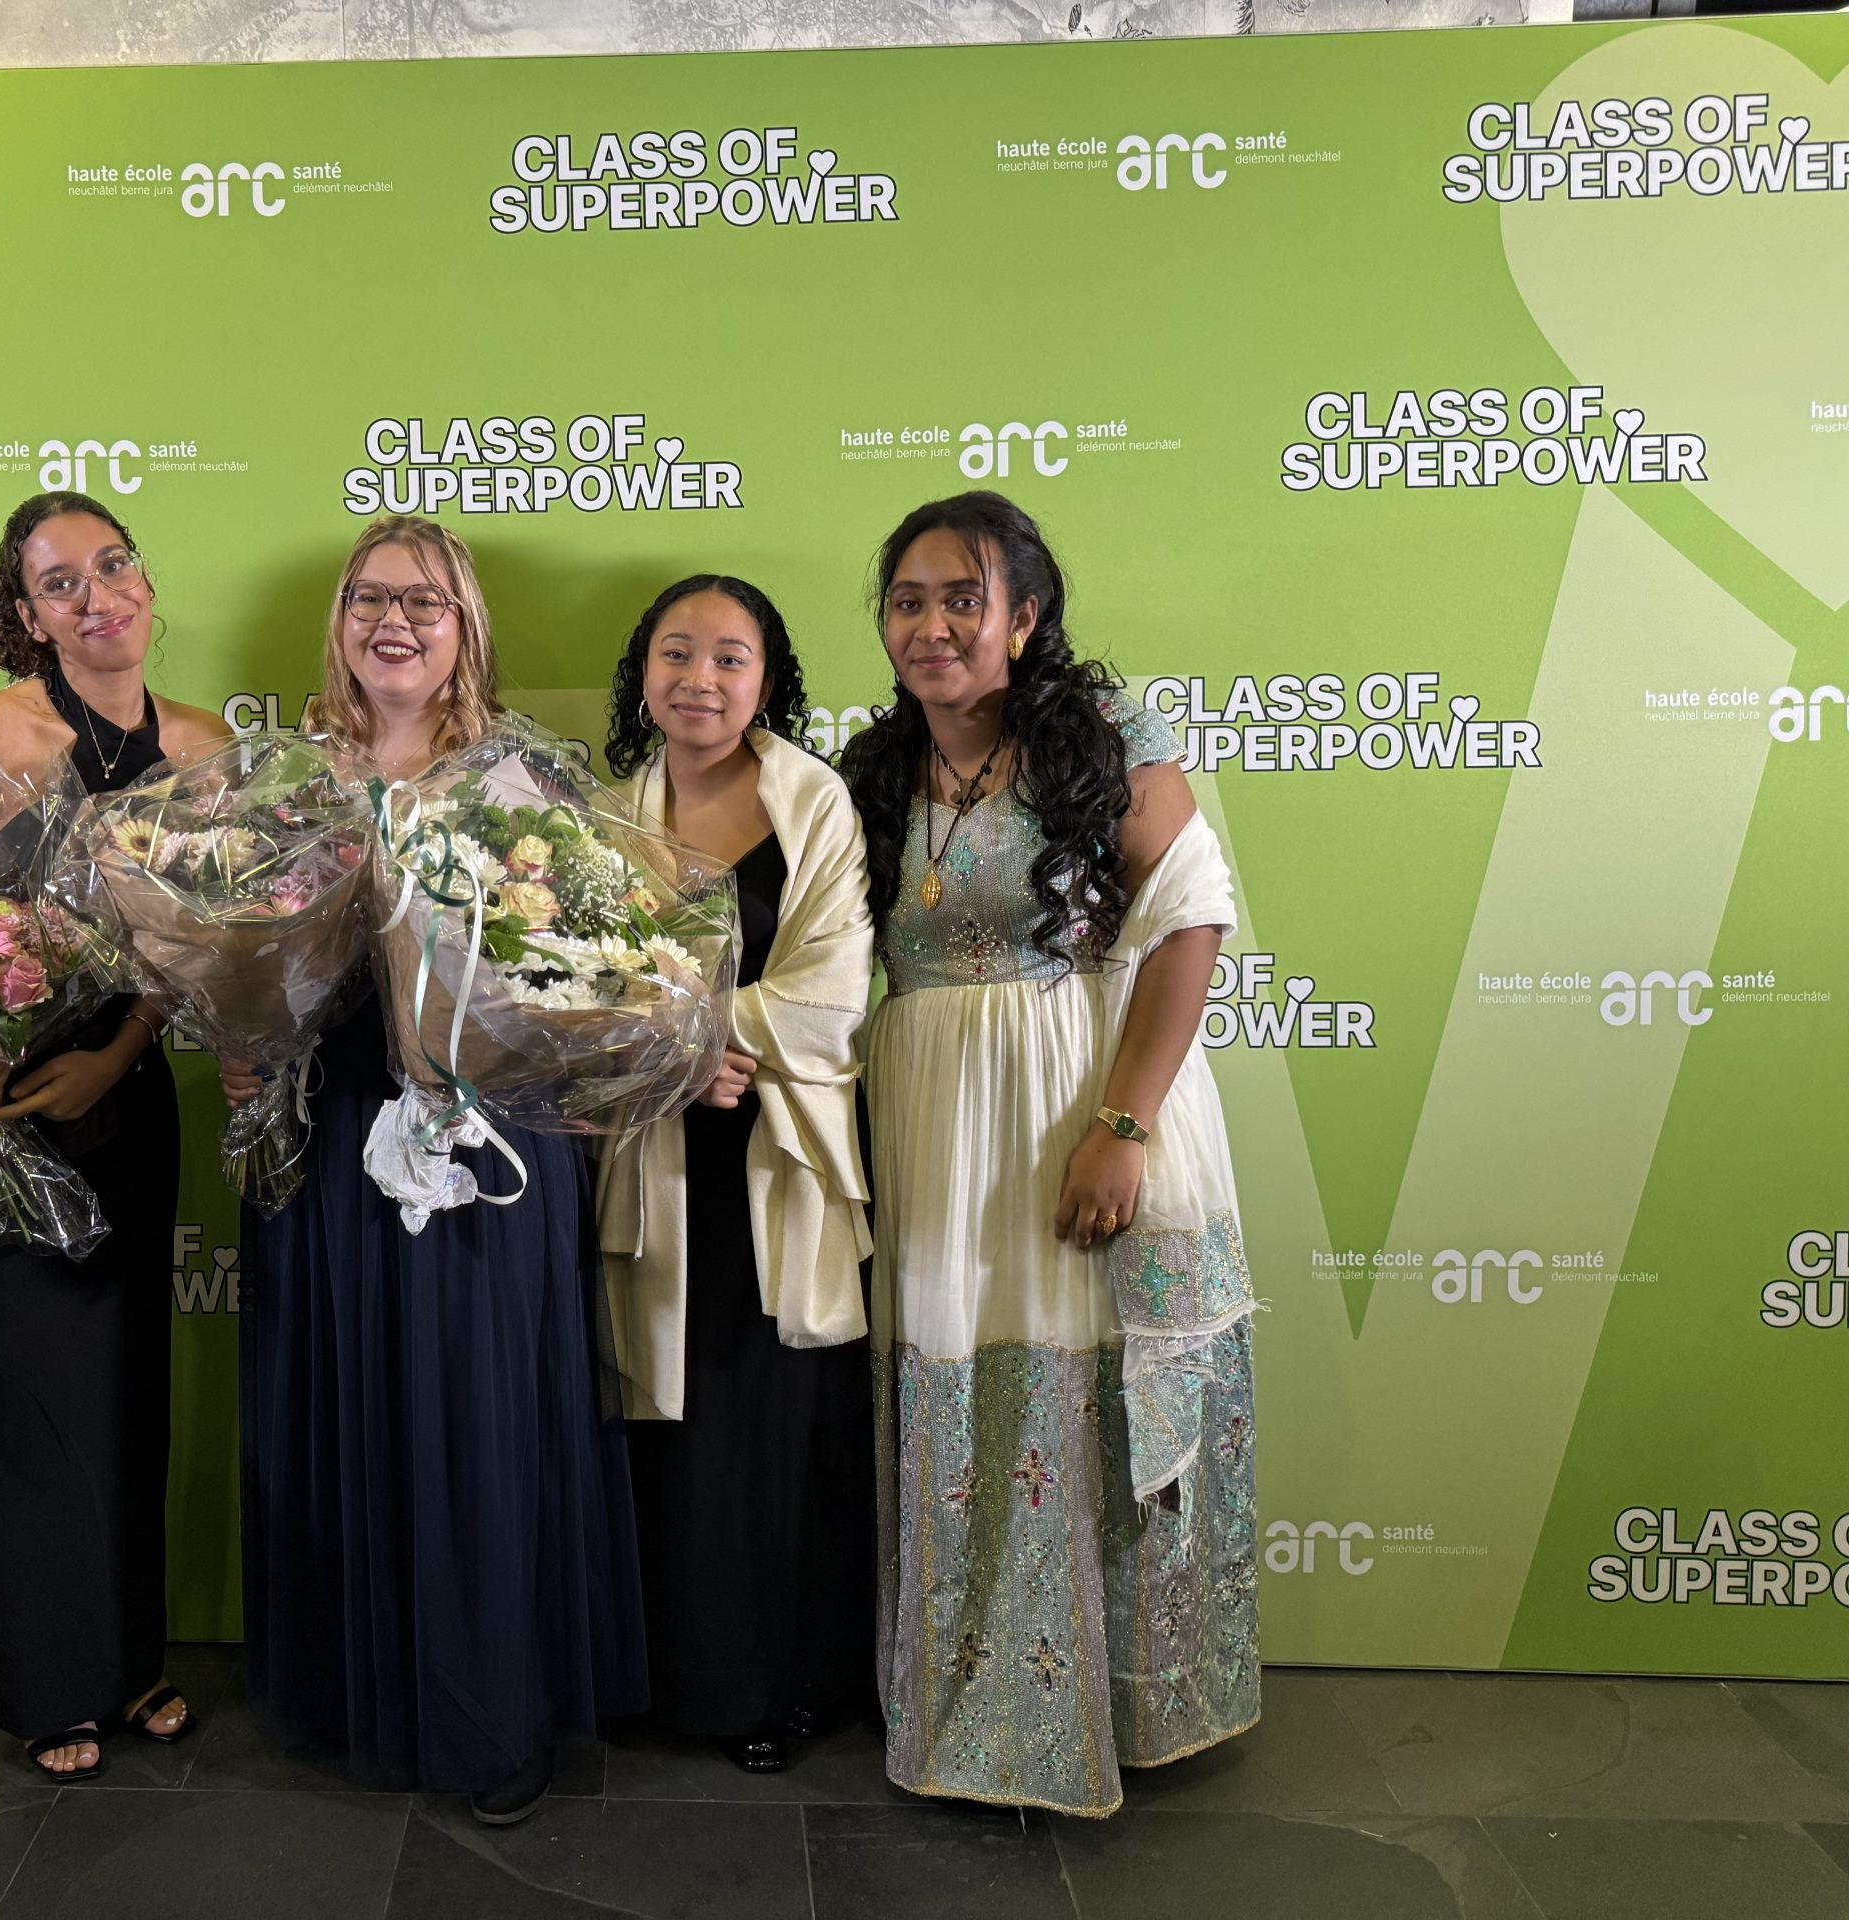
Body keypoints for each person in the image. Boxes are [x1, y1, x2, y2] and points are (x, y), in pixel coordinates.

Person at [840, 491, 1259, 1816]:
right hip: (933, 1121)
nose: (931, 626)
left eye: (963, 600)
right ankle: (983, 1707)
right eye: (908, 601)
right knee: (964, 1385)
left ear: (1023, 617)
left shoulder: (1105, 733)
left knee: (1084, 1383)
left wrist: (1122, 1127)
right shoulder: (871, 768)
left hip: (1078, 1101)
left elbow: (1188, 923)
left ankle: (1115, 1711)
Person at [227, 515, 647, 1825]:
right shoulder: (285, 780)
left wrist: (565, 1053)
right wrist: (243, 1032)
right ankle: (365, 1696)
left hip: (483, 1135)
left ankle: (494, 1713)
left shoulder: (525, 777)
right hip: (335, 1134)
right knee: (351, 1403)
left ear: (465, 626)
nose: (392, 621)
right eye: (368, 597)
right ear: (339, 622)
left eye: (423, 600)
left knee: (478, 1414)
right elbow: (236, 957)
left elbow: (586, 964)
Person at [0, 491, 225, 1780]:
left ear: (145, 581)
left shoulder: (204, 746)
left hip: (122, 1100)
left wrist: (113, 1061)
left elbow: (194, 948)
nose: (97, 595)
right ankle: (45, 1685)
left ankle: (126, 1664)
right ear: (26, 616)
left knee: (122, 1389)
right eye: (60, 582)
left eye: (112, 565)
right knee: (23, 1400)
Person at [593, 575, 875, 1774]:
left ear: (769, 680)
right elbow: (569, 982)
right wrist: (667, 1058)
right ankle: (662, 1676)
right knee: (666, 1421)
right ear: (642, 673)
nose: (698, 679)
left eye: (728, 657)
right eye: (675, 653)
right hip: (652, 1146)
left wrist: (701, 1038)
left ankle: (777, 1686)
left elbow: (833, 989)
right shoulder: (607, 814)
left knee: (768, 1420)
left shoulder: (815, 803)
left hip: (774, 1146)